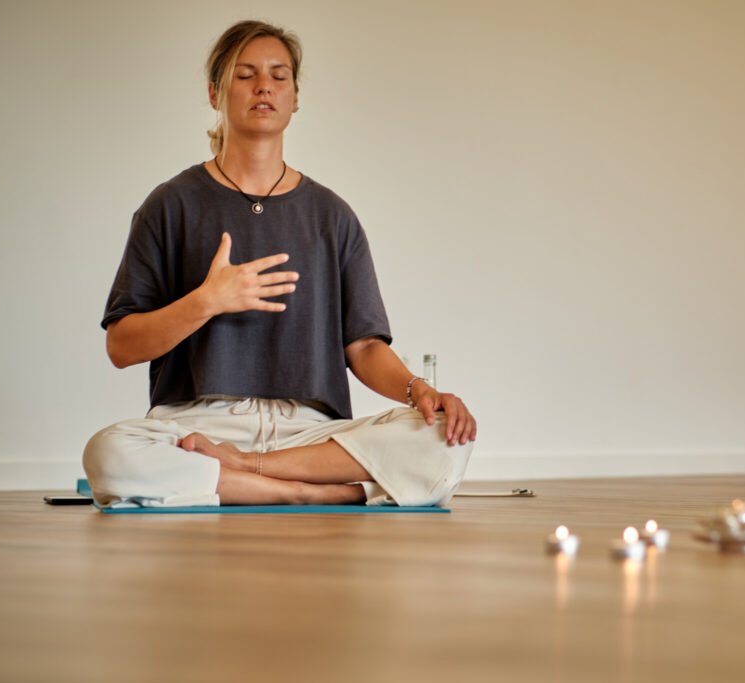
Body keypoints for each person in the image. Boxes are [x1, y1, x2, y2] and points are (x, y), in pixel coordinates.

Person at [83, 20, 476, 508]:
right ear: (214, 92)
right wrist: (206, 302)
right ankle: (306, 494)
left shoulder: (333, 216)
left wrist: (422, 392)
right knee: (109, 453)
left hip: (309, 435)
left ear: (295, 97)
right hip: (197, 425)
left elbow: (365, 346)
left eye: (279, 75)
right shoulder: (170, 205)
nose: (264, 86)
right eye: (245, 74)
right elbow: (121, 346)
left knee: (443, 438)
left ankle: (244, 474)